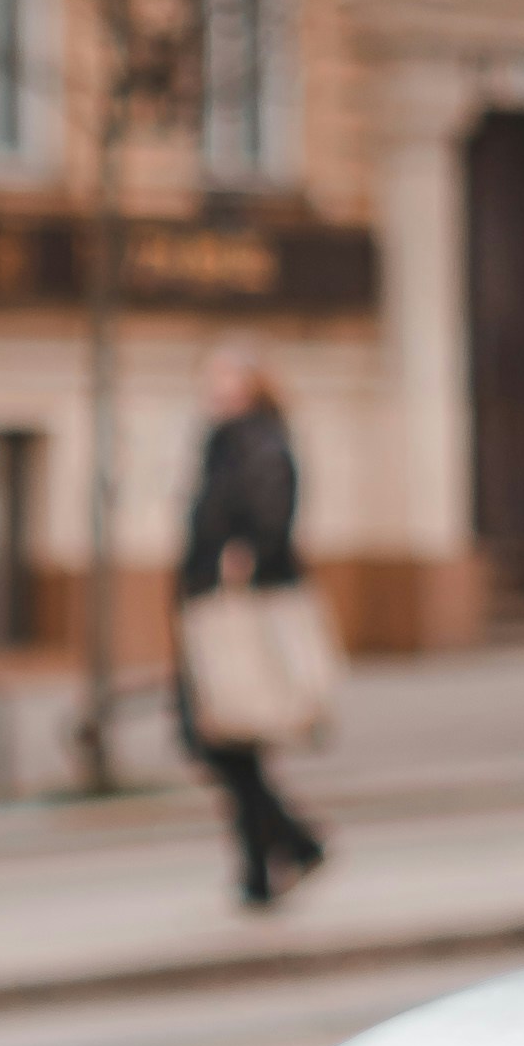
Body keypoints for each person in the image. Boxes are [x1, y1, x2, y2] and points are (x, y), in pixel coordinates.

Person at [177, 343, 328, 910]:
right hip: (213, 610)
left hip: (234, 614)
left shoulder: (256, 440)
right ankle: (279, 855)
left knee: (224, 741)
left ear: (252, 386)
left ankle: (277, 857)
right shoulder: (226, 440)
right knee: (226, 744)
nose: (213, 389)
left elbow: (268, 519)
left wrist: (242, 559)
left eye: (225, 379)